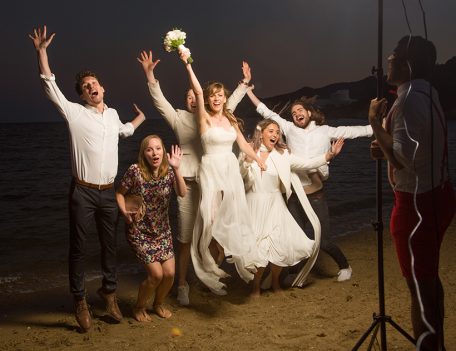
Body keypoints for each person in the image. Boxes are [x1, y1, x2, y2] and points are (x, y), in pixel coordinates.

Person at [29, 25, 146, 332]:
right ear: (81, 94)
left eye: (94, 83)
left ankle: (109, 292)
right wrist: (42, 52)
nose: (91, 87)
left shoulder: (112, 115)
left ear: (102, 88)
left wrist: (140, 119)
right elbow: (49, 84)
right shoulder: (74, 113)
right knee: (79, 247)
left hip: (108, 193)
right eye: (85, 86)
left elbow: (124, 131)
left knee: (109, 246)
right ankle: (79, 300)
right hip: (82, 192)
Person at [137, 50, 252, 306]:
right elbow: (159, 102)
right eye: (190, 96)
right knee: (186, 237)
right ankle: (182, 285)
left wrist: (243, 84)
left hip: (215, 182)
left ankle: (209, 276)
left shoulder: (215, 116)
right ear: (188, 100)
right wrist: (150, 76)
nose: (194, 99)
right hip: (189, 185)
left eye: (196, 96)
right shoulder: (178, 119)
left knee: (217, 234)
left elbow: (228, 102)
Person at [368, 35, 455, 351]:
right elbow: (415, 150)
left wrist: (375, 123)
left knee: (420, 292)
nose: (387, 60)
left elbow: (403, 159)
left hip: (416, 207)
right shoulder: (426, 92)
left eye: (393, 55)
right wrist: (389, 150)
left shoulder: (407, 101)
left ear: (407, 63)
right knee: (429, 282)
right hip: (438, 195)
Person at [246, 78, 373, 282]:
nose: (296, 114)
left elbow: (355, 131)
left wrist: (379, 127)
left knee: (321, 241)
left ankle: (344, 266)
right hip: (295, 195)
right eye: (293, 113)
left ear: (309, 112)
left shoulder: (326, 131)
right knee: (292, 237)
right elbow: (266, 112)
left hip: (316, 195)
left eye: (299, 111)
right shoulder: (288, 129)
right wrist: (247, 90)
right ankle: (290, 272)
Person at [179, 48, 265, 295]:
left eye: (220, 95)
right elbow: (196, 90)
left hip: (229, 170)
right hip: (211, 169)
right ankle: (208, 266)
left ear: (225, 98)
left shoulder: (230, 119)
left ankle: (227, 258)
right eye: (212, 95)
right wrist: (187, 64)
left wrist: (257, 159)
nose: (216, 98)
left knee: (234, 217)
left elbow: (243, 144)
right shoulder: (203, 118)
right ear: (207, 99)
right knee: (212, 219)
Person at [240, 119, 344, 296]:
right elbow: (239, 176)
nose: (275, 134)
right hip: (253, 206)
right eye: (271, 131)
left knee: (280, 246)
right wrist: (246, 162)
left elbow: (307, 163)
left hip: (275, 205)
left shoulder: (283, 155)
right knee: (257, 249)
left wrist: (329, 155)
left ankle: (275, 283)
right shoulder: (249, 152)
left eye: (277, 132)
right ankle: (255, 286)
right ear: (261, 132)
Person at [116, 136, 186, 321]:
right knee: (156, 275)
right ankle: (139, 308)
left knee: (170, 274)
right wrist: (124, 213)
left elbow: (182, 192)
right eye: (149, 149)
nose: (154, 153)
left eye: (158, 148)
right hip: (139, 231)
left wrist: (177, 169)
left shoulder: (169, 172)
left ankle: (158, 304)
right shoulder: (135, 171)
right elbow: (119, 194)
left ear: (163, 151)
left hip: (162, 231)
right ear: (143, 153)